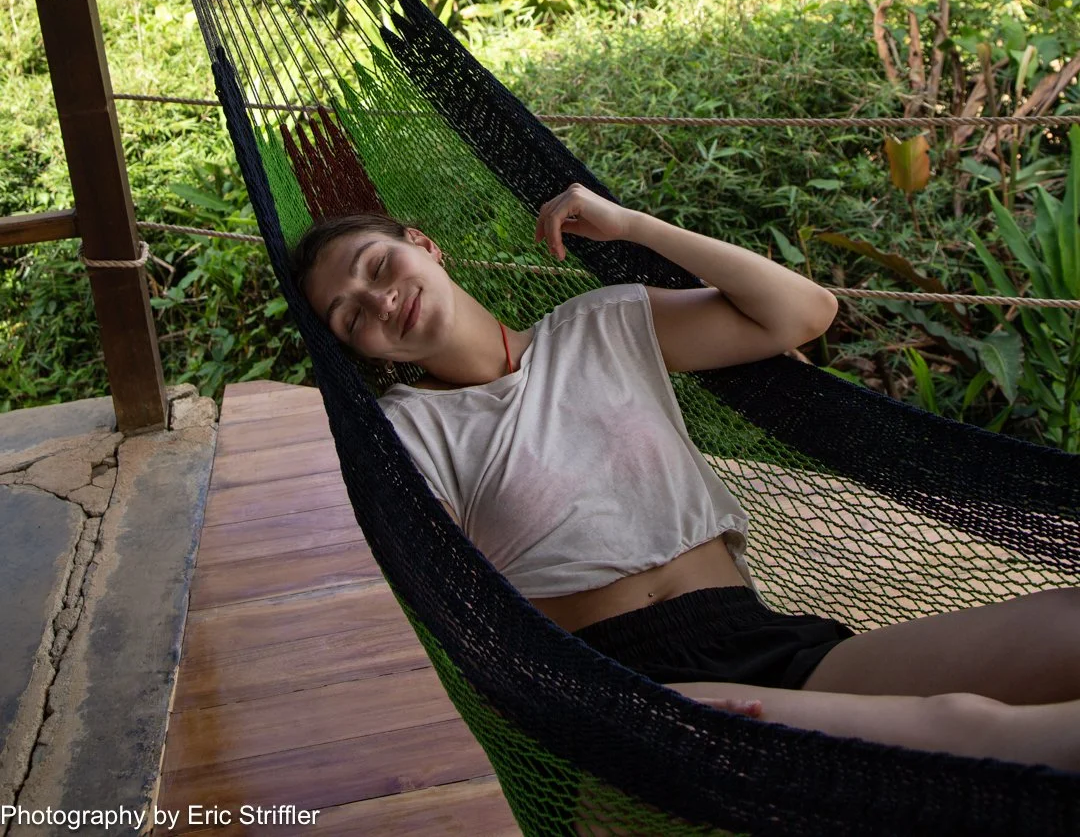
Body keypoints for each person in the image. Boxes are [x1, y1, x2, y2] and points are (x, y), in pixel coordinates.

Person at [294, 183, 1080, 774]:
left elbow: (799, 313)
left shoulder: (601, 325)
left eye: (376, 265)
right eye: (350, 315)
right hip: (638, 694)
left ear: (423, 244)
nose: (377, 298)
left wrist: (631, 225)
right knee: (967, 730)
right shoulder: (401, 433)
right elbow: (454, 600)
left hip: (759, 638)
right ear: (365, 352)